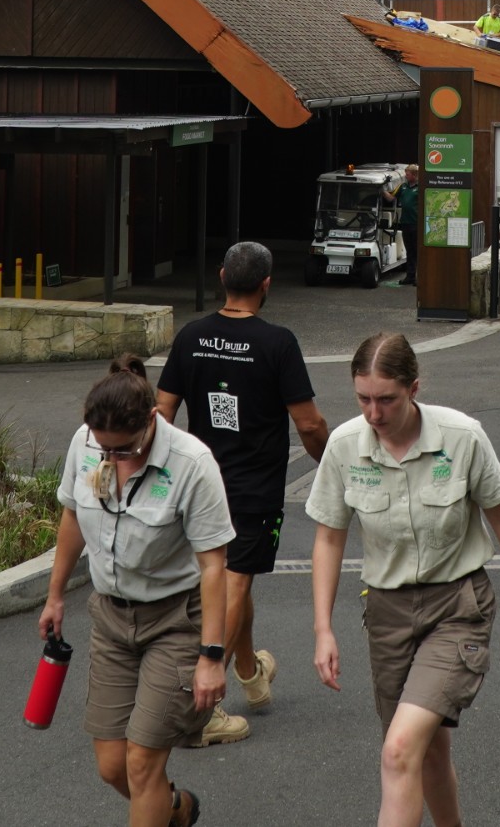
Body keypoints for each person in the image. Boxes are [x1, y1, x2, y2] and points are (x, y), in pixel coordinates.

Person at [307, 333, 500, 827]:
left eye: (387, 399)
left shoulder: (462, 437)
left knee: (398, 750)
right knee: (426, 751)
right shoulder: (345, 445)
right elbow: (330, 538)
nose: (374, 413)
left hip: (457, 608)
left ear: (415, 387)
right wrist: (323, 628)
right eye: (363, 398)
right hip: (388, 613)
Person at [42, 356, 236, 827]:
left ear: (152, 421)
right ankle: (172, 809)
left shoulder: (192, 464)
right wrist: (55, 595)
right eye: (103, 450)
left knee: (142, 764)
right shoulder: (86, 442)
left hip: (175, 623)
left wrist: (211, 657)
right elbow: (72, 514)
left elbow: (215, 567)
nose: (111, 460)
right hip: (111, 619)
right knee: (112, 766)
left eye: (123, 450)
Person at [156, 242, 329, 732]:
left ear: (221, 277)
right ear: (266, 285)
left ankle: (250, 671)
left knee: (236, 574)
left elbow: (162, 410)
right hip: (254, 489)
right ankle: (201, 712)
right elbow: (310, 424)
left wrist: (164, 471)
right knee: (235, 582)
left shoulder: (191, 336)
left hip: (199, 484)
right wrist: (334, 466)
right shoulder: (278, 344)